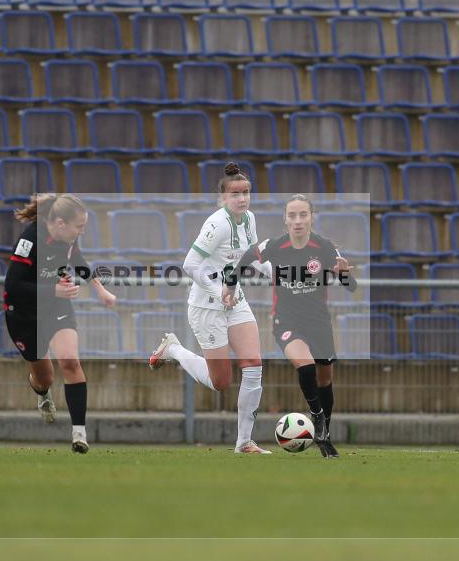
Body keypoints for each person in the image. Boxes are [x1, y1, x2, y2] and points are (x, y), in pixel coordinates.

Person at [149, 162, 272, 454]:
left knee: (253, 366)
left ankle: (244, 442)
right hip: (207, 306)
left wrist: (278, 277)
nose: (242, 199)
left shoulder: (249, 219)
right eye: (235, 194)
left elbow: (252, 257)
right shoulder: (216, 224)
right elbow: (190, 265)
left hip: (236, 300)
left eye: (246, 193)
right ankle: (173, 350)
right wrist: (219, 291)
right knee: (221, 382)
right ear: (223, 198)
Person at [223, 194, 354, 458]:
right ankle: (316, 419)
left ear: (311, 218)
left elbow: (352, 287)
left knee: (325, 380)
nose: (297, 220)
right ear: (285, 220)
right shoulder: (275, 246)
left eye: (302, 215)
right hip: (286, 320)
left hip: (319, 322)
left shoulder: (325, 247)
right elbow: (247, 257)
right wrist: (231, 283)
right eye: (292, 215)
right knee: (305, 366)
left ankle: (325, 436)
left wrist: (344, 275)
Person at [4, 193, 116, 453]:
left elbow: (78, 260)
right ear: (61, 224)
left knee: (70, 361)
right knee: (45, 378)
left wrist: (100, 290)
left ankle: (79, 435)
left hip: (55, 305)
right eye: (79, 226)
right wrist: (53, 290)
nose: (82, 231)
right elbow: (13, 285)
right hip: (22, 312)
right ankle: (41, 392)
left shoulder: (68, 239)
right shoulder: (30, 240)